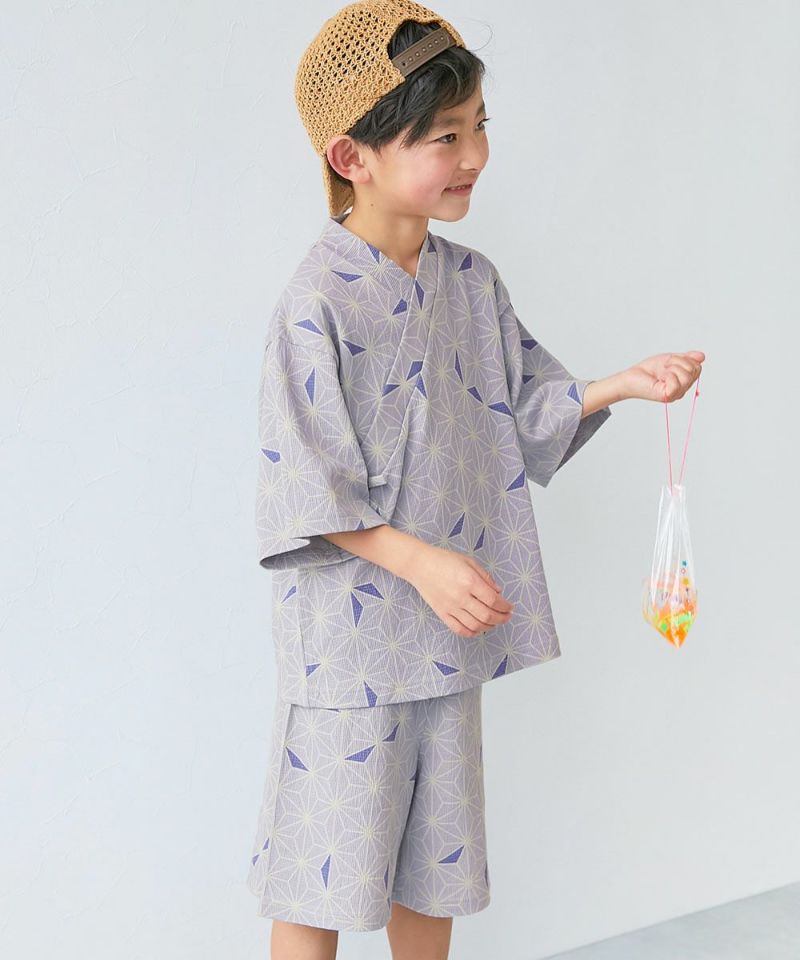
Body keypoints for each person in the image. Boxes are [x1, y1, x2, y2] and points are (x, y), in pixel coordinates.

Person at [246, 3, 705, 958]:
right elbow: (305, 488)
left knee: (435, 867)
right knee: (322, 874)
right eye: (445, 136)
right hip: (352, 651)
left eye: (479, 125)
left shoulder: (471, 281)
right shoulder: (314, 303)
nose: (476, 155)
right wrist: (423, 563)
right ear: (351, 156)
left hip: (449, 635)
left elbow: (519, 411)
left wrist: (620, 384)